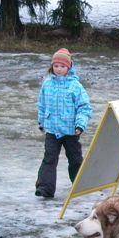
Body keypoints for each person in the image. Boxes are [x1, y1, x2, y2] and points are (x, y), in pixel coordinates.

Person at [35, 48, 92, 198]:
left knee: (75, 159)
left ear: (69, 67)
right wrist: (41, 122)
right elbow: (42, 104)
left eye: (62, 66)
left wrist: (80, 125)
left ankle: (80, 185)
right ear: (52, 67)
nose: (59, 69)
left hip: (71, 131)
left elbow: (84, 107)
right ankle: (44, 188)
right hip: (52, 130)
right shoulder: (47, 84)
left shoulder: (75, 86)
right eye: (56, 66)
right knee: (49, 158)